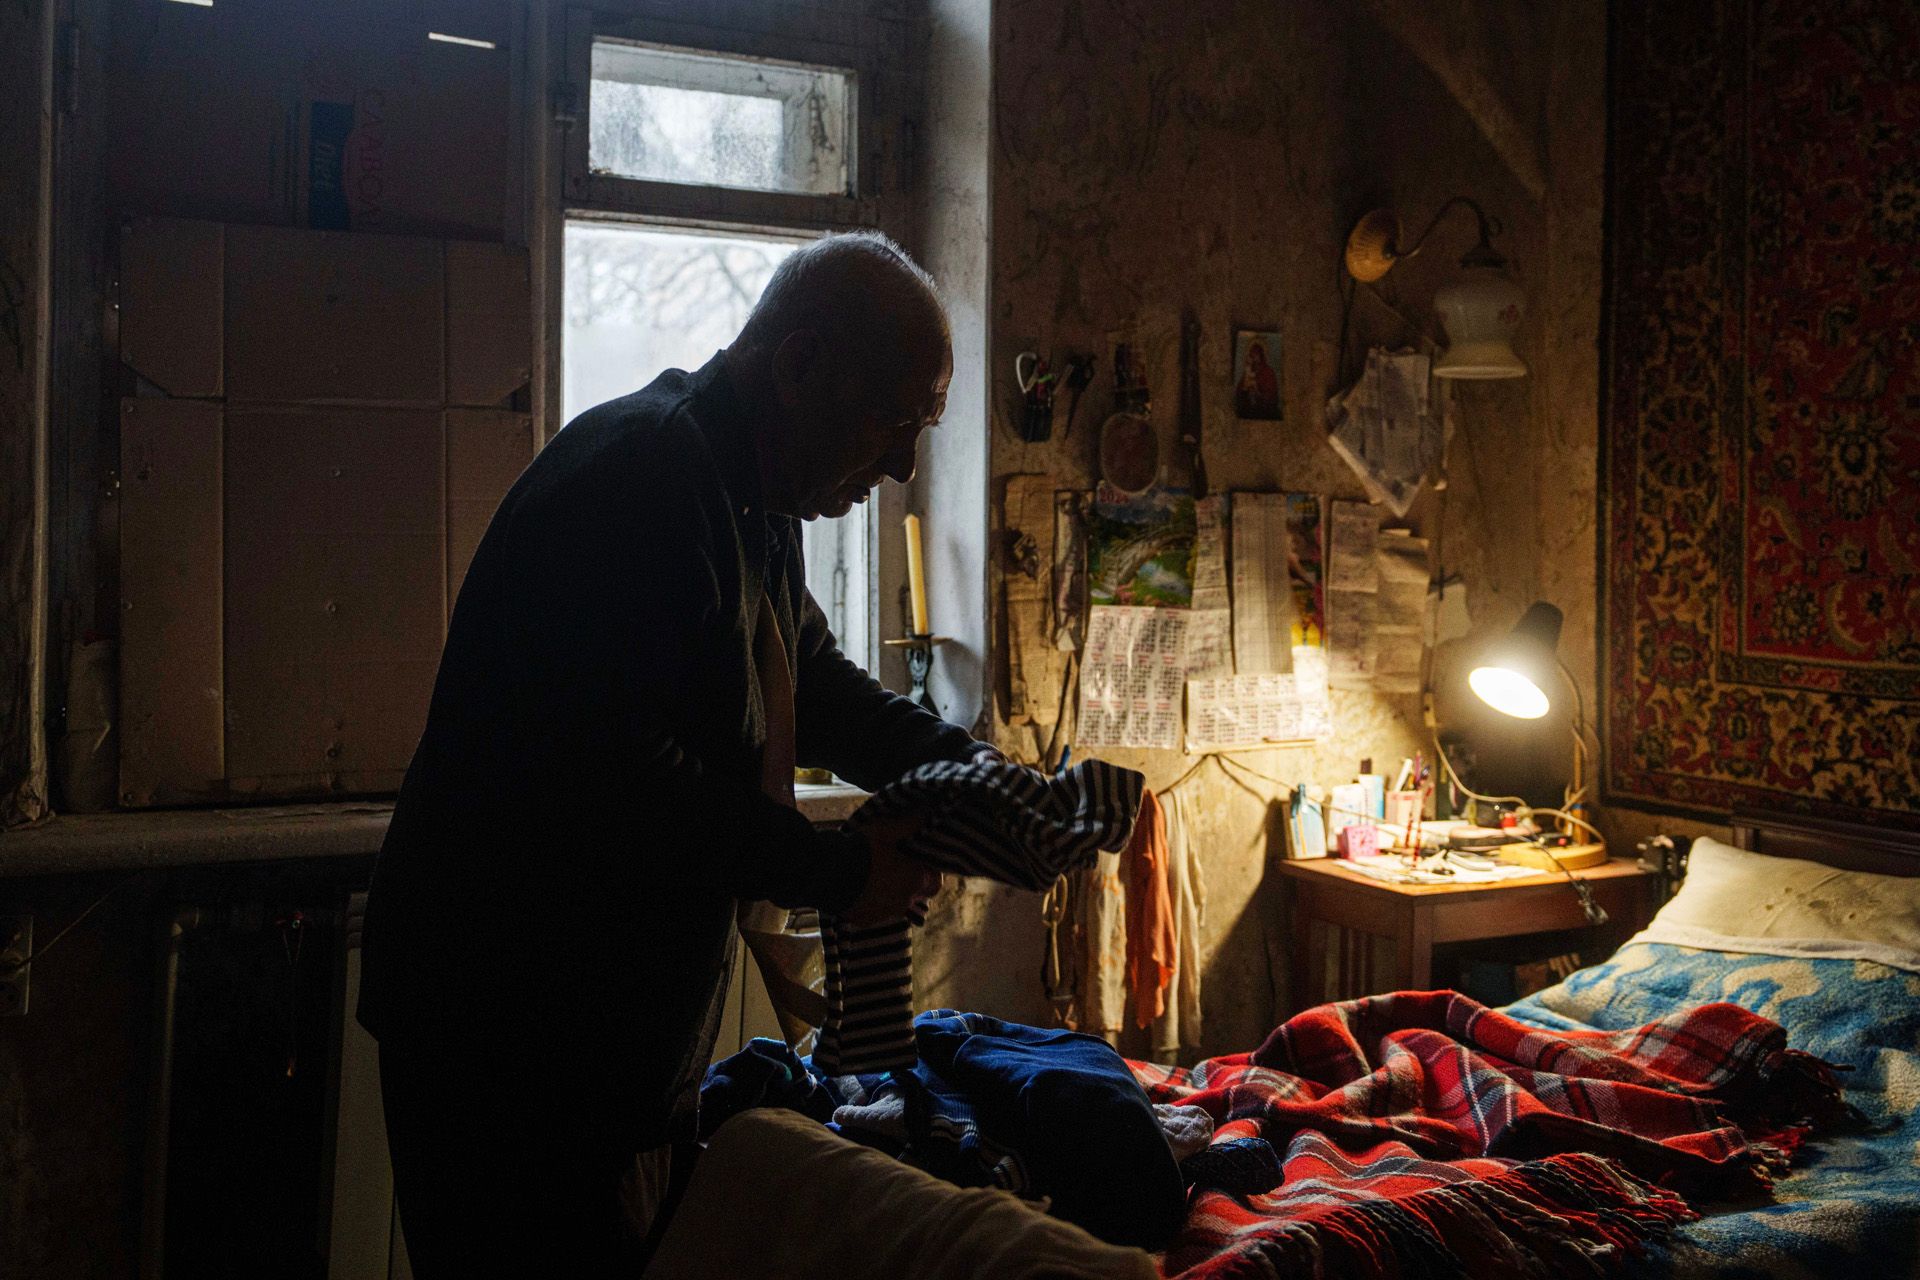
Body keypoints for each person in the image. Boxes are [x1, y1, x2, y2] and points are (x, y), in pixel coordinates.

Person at [356, 230, 991, 1277]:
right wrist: (843, 872)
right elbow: (623, 781)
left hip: (596, 1047)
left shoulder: (750, 492)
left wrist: (975, 777)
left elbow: (810, 679)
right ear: (799, 365)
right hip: (509, 1044)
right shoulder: (642, 477)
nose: (902, 466)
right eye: (894, 421)